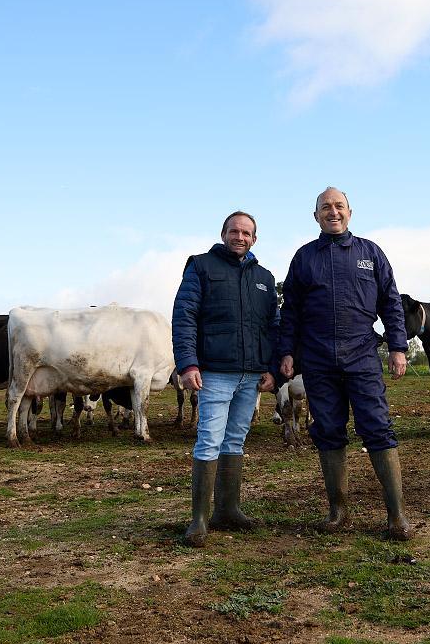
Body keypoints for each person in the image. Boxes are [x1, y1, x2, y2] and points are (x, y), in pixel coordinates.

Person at [278, 187, 414, 541]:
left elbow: (391, 302)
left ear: (350, 213)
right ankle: (338, 511)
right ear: (316, 216)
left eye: (339, 206)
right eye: (326, 207)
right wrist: (288, 351)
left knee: (377, 427)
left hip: (362, 354)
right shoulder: (304, 258)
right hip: (318, 357)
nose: (333, 212)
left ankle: (396, 515)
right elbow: (290, 310)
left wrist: (397, 346)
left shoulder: (371, 253)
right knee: (327, 429)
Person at [172, 211, 279, 547]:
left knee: (235, 441)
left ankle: (228, 510)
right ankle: (199, 520)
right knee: (209, 440)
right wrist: (188, 364)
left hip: (251, 375)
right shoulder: (201, 267)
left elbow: (273, 326)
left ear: (254, 239)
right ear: (223, 233)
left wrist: (272, 368)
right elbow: (184, 314)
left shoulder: (265, 277)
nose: (240, 237)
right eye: (234, 231)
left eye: (247, 232)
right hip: (215, 373)